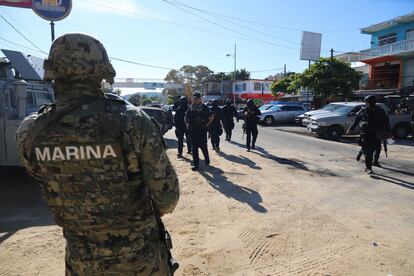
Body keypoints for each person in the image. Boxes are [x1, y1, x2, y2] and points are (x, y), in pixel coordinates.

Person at [16, 33, 179, 275]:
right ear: (101, 72)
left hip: (82, 264)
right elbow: (167, 197)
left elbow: (43, 178)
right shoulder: (131, 121)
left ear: (53, 71)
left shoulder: (31, 131)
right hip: (141, 262)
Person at [347, 95, 390, 174]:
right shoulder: (363, 111)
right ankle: (368, 167)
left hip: (377, 134)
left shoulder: (380, 111)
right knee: (369, 152)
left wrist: (388, 132)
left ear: (372, 103)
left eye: (367, 102)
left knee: (378, 148)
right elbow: (356, 120)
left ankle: (375, 161)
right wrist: (351, 129)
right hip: (366, 134)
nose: (366, 104)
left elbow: (386, 122)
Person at [185, 92, 213, 171]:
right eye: (194, 98)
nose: (196, 100)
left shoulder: (204, 108)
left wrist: (207, 124)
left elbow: (211, 116)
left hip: (202, 130)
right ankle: (196, 165)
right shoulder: (190, 108)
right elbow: (186, 117)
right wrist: (187, 124)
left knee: (203, 146)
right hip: (193, 130)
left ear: (200, 99)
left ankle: (207, 160)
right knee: (194, 148)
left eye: (197, 98)